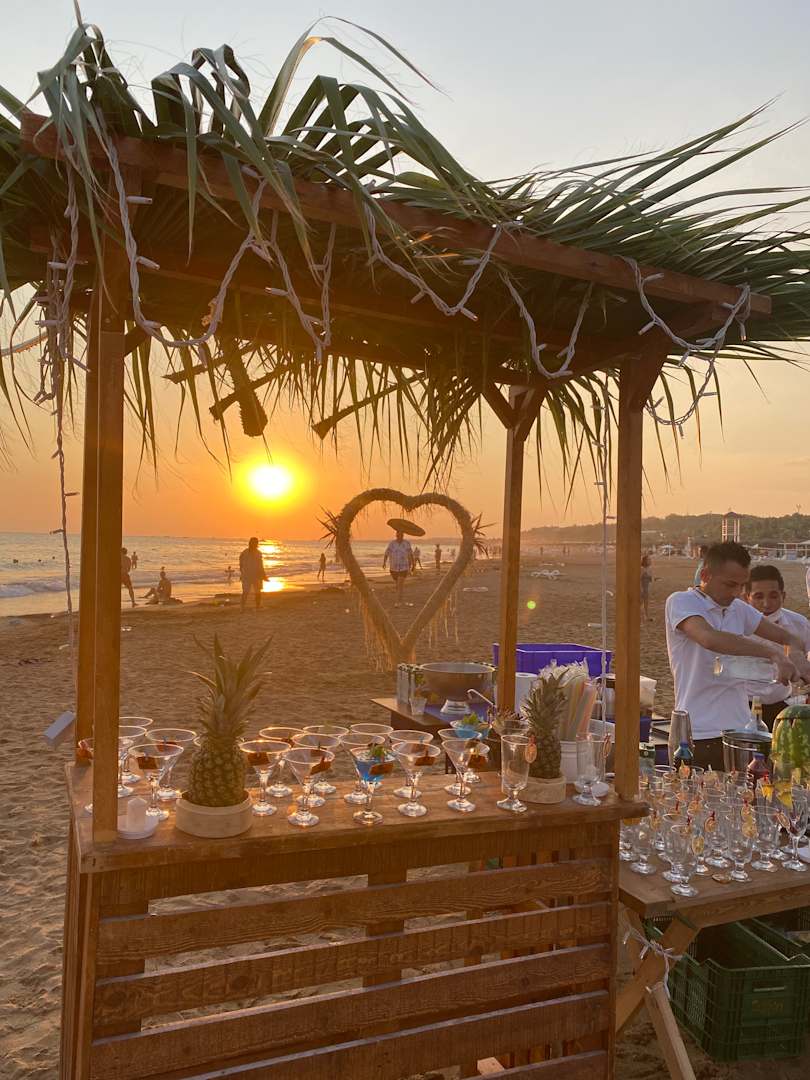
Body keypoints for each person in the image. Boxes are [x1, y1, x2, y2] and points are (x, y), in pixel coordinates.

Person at [665, 541, 810, 770]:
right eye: (730, 584)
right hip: (697, 731)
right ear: (705, 575)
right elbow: (709, 638)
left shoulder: (738, 609)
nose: (736, 593)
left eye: (742, 586)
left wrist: (795, 656)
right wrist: (773, 653)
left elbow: (790, 637)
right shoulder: (682, 602)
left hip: (741, 730)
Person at [745, 564, 810, 728]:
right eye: (758, 597)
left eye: (774, 596)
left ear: (783, 595)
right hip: (742, 704)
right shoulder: (734, 625)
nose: (766, 604)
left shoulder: (799, 624)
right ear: (747, 597)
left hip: (782, 705)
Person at [383, 530, 414, 607]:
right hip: (393, 568)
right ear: (396, 535)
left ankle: (398, 602)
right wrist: (384, 562)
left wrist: (413, 564)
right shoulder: (392, 543)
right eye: (398, 535)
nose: (399, 536)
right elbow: (387, 553)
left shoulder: (406, 543)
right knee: (398, 585)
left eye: (401, 535)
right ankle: (401, 600)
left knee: (400, 585)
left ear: (403, 535)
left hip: (404, 567)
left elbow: (410, 554)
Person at [239, 537, 267, 611]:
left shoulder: (258, 553)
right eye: (253, 543)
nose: (254, 544)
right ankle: (242, 607)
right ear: (250, 543)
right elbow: (241, 564)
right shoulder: (244, 552)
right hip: (247, 575)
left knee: (257, 592)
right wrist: (242, 573)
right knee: (245, 592)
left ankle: (257, 606)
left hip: (256, 575)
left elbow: (260, 565)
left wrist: (263, 575)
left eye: (255, 543)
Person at [640, 554, 653, 622]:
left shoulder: (649, 569)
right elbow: (638, 579)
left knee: (645, 603)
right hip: (642, 589)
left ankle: (646, 616)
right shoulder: (642, 569)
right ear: (645, 561)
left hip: (646, 589)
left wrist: (654, 579)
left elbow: (649, 579)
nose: (650, 560)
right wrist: (640, 589)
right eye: (649, 559)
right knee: (640, 603)